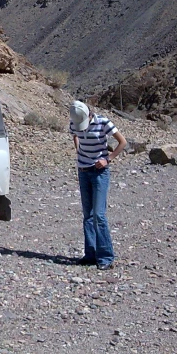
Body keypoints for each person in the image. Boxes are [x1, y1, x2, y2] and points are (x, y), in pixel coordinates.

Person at [69, 100, 127, 270]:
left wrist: (107, 159)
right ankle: (90, 255)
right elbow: (74, 135)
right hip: (83, 171)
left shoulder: (103, 122)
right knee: (87, 215)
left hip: (100, 172)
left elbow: (122, 142)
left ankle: (106, 257)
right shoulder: (74, 122)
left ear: (89, 115)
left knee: (99, 215)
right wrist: (79, 152)